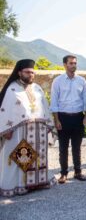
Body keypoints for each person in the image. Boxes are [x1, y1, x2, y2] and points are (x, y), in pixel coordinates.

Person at [0, 59, 55, 196]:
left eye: (32, 72)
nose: (31, 75)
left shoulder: (37, 88)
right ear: (19, 72)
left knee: (38, 157)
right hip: (18, 132)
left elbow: (45, 107)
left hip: (38, 130)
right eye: (27, 72)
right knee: (19, 158)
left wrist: (49, 124)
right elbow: (5, 110)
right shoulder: (12, 88)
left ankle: (38, 182)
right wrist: (5, 130)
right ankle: (20, 185)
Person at [50, 55, 86, 183]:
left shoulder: (81, 81)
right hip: (63, 118)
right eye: (71, 63)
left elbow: (85, 100)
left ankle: (78, 172)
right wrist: (56, 120)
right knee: (63, 148)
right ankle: (63, 173)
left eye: (75, 63)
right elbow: (54, 101)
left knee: (77, 147)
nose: (73, 65)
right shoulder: (57, 81)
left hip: (78, 118)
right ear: (65, 65)